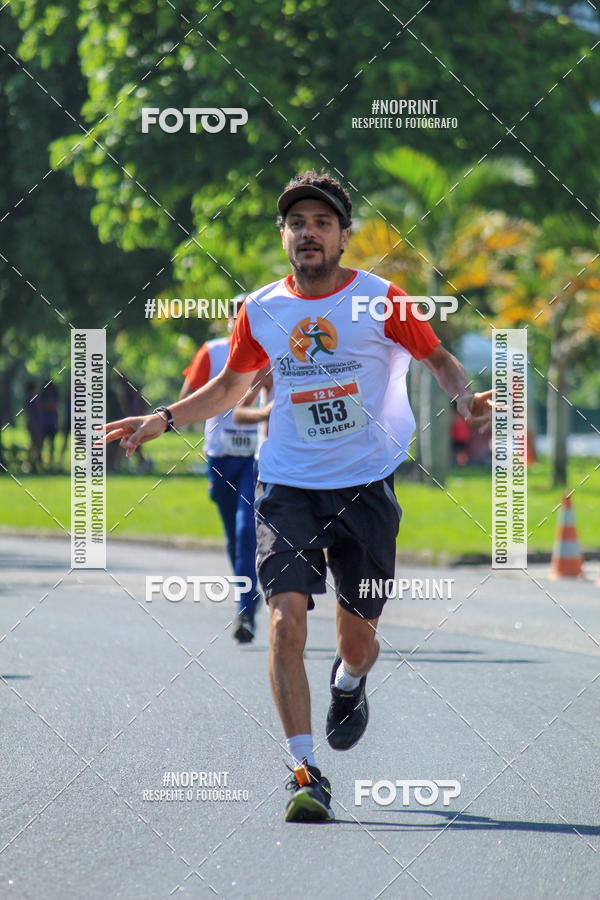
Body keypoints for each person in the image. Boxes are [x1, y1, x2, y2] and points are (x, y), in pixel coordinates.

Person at [103, 170, 493, 824]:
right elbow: (231, 387)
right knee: (285, 620)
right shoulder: (261, 309)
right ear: (283, 236)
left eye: (321, 223)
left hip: (365, 485)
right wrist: (164, 417)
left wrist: (463, 398)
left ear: (344, 236)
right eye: (297, 223)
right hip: (286, 484)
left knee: (358, 640)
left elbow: (440, 361)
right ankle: (305, 771)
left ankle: (350, 682)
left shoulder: (383, 300)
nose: (308, 232)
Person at [181, 315, 262, 642]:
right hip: (220, 455)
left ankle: (245, 610)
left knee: (246, 529)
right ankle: (249, 592)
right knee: (233, 534)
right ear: (230, 322)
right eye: (239, 316)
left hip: (257, 456)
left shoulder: (269, 349)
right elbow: (187, 397)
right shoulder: (212, 352)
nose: (245, 323)